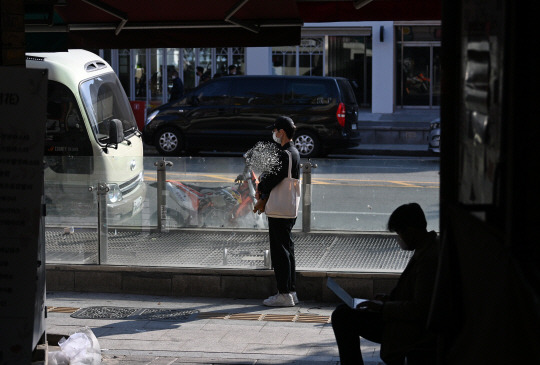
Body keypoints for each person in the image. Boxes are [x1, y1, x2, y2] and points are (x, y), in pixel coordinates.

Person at [331, 203, 439, 365]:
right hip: (402, 317)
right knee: (344, 312)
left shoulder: (428, 260)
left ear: (410, 231)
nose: (399, 239)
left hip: (409, 326)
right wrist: (388, 299)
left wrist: (383, 307)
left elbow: (419, 308)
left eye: (400, 233)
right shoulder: (428, 247)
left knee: (342, 317)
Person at [253, 116, 301, 307]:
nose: (273, 133)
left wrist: (261, 188)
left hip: (279, 209)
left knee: (279, 251)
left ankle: (283, 293)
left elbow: (272, 178)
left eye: (275, 130)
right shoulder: (294, 152)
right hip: (289, 208)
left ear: (281, 132)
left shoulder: (284, 154)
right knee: (287, 249)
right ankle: (291, 291)